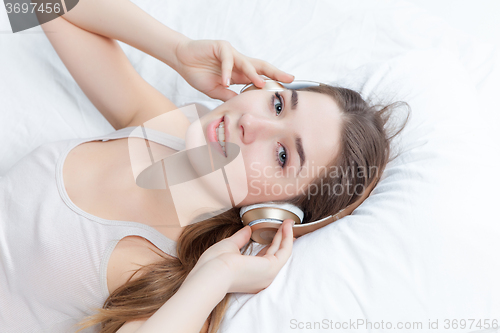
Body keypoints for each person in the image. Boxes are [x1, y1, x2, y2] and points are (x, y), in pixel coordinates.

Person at [0, 1, 408, 333]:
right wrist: (176, 50)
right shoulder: (166, 129)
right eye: (279, 104)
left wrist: (217, 278)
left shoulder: (168, 277)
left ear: (279, 213)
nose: (253, 124)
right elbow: (36, 5)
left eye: (283, 155)